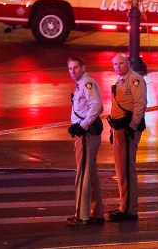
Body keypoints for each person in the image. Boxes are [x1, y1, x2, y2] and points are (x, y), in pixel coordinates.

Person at [106, 53, 146, 222]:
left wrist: (132, 127)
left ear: (128, 63)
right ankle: (124, 205)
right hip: (119, 130)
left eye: (121, 63)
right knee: (121, 169)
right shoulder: (120, 80)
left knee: (127, 170)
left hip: (127, 129)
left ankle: (129, 209)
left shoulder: (134, 79)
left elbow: (140, 104)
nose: (118, 66)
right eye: (115, 64)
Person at [66, 56, 105, 226]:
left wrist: (82, 126)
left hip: (87, 134)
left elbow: (97, 106)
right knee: (91, 174)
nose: (72, 71)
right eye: (69, 68)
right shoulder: (82, 83)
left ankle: (82, 215)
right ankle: (96, 212)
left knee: (82, 174)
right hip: (88, 132)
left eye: (75, 67)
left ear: (83, 67)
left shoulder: (86, 83)